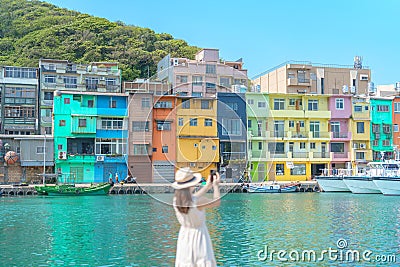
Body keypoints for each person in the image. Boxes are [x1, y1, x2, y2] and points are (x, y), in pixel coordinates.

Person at [172, 167, 220, 267]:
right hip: (199, 236)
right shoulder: (198, 201)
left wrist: (207, 187)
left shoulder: (176, 200)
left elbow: (193, 197)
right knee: (202, 261)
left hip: (185, 237)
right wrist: (215, 186)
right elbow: (216, 202)